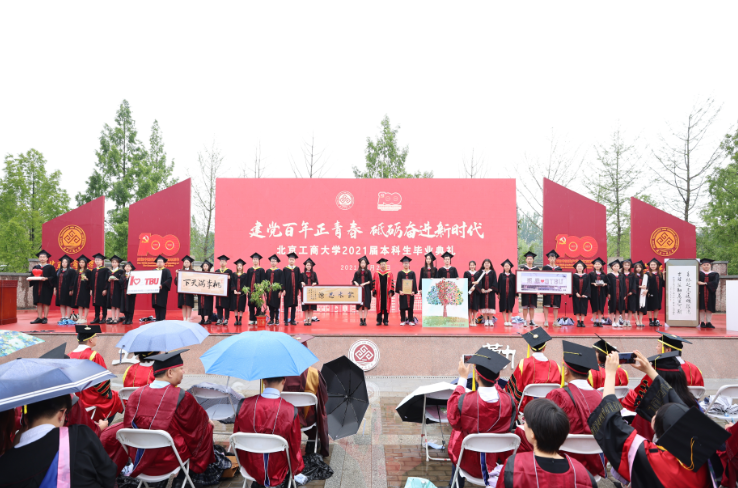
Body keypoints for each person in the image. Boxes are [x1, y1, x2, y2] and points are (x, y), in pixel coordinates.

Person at [589, 350, 729, 488]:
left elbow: (612, 423)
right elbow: (679, 406)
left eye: (656, 414)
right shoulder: (704, 451)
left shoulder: (654, 459)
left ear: (659, 430)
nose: (654, 414)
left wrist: (610, 374)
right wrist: (649, 370)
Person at [124, 349, 221, 479]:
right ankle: (195, 469)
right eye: (181, 368)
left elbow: (128, 426)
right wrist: (206, 421)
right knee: (207, 427)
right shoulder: (181, 396)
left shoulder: (135, 395)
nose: (183, 372)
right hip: (168, 460)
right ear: (170, 372)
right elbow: (197, 427)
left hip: (139, 459)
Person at [522, 341, 606, 478]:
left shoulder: (559, 396)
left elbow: (542, 426)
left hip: (563, 463)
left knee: (525, 432)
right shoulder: (602, 397)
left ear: (566, 371)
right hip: (593, 466)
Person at [0, 394, 119, 487]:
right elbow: (109, 477)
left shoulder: (5, 466)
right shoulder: (81, 436)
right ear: (62, 414)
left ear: (25, 419)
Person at [447, 347, 517, 488]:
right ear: (497, 378)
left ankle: (454, 485)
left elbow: (452, 418)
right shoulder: (509, 401)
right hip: (498, 462)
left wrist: (462, 378)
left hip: (469, 463)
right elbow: (511, 424)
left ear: (477, 377)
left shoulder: (464, 401)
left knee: (457, 433)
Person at [496, 398, 597, 488]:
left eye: (525, 421)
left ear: (533, 433)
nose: (524, 424)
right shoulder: (584, 475)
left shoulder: (514, 466)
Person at [234, 375, 305, 488]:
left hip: (250, 466)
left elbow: (236, 439)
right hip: (277, 469)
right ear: (284, 381)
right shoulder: (291, 410)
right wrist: (297, 468)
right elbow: (294, 446)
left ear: (264, 381)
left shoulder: (243, 404)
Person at [284, 334, 330, 457]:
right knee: (317, 408)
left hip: (283, 418)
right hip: (307, 421)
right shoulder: (314, 374)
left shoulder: (278, 374)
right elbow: (323, 398)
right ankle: (312, 441)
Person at [68, 325, 124, 422]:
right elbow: (102, 381)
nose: (97, 338)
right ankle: (102, 427)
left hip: (75, 398)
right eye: (96, 337)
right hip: (91, 398)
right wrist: (107, 394)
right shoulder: (94, 356)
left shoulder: (69, 355)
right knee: (117, 398)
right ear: (90, 340)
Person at [505, 327, 561, 411]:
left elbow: (517, 386)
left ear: (531, 347)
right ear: (544, 348)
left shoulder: (524, 363)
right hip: (549, 407)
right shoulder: (555, 365)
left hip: (529, 407)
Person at [29, 249, 57, 324]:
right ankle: (39, 317)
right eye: (40, 257)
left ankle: (45, 318)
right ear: (38, 258)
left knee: (46, 302)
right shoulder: (35, 267)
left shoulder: (50, 267)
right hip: (37, 286)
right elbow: (32, 276)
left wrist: (47, 278)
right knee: (38, 302)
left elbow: (54, 277)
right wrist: (30, 279)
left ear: (47, 258)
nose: (42, 258)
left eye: (44, 257)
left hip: (47, 287)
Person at [541, 250, 562, 327]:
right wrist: (542, 289)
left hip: (556, 290)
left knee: (556, 306)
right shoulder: (545, 267)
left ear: (555, 258)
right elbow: (542, 278)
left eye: (553, 257)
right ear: (548, 259)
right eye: (550, 257)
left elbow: (561, 280)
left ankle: (555, 321)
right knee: (546, 305)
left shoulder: (559, 268)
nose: (552, 259)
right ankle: (546, 321)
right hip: (547, 289)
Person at [395, 256, 417, 326]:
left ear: (409, 264)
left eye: (407, 263)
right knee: (402, 307)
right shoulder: (400, 273)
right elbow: (398, 282)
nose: (406, 264)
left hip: (410, 293)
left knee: (410, 307)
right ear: (402, 264)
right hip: (403, 293)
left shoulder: (412, 273)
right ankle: (403, 320)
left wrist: (413, 291)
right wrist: (400, 291)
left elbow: (414, 282)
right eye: (404, 263)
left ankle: (411, 320)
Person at [246, 254, 267, 326]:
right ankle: (252, 319)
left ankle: (258, 318)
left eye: (256, 259)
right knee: (251, 305)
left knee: (258, 305)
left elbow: (263, 281)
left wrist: (262, 290)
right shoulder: (249, 270)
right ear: (252, 260)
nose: (255, 261)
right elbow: (247, 280)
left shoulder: (261, 270)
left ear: (259, 261)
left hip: (258, 291)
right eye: (254, 259)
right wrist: (247, 289)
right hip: (251, 291)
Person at [519, 251, 539, 327]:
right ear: (526, 260)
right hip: (525, 290)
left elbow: (538, 280)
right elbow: (519, 279)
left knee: (532, 306)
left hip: (533, 290)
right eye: (528, 259)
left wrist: (538, 289)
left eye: (531, 259)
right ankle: (524, 320)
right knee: (525, 306)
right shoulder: (523, 268)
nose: (529, 260)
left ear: (533, 260)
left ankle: (532, 321)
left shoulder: (536, 269)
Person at [698, 258, 719, 329]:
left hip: (710, 293)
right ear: (701, 266)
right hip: (701, 293)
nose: (706, 266)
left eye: (707, 265)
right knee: (701, 308)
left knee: (709, 308)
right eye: (704, 265)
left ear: (710, 265)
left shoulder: (715, 274)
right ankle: (702, 322)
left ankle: (708, 322)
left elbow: (715, 283)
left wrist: (704, 283)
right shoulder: (699, 273)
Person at [372, 257, 394, 326]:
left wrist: (391, 291)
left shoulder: (389, 273)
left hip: (387, 293)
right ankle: (379, 320)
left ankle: (386, 320)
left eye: (384, 264)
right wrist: (374, 291)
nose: (383, 265)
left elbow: (391, 283)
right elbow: (374, 283)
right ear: (380, 265)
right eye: (382, 264)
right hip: (379, 293)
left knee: (386, 306)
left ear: (386, 265)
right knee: (379, 306)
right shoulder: (376, 273)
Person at [55, 254, 76, 324]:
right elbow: (56, 280)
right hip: (60, 290)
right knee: (61, 303)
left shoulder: (72, 271)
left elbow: (73, 281)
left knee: (68, 303)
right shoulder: (59, 271)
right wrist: (55, 288)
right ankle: (63, 316)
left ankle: (68, 317)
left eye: (66, 262)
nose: (64, 263)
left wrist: (71, 289)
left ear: (68, 263)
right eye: (63, 262)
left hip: (68, 290)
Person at [282, 252, 301, 326]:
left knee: (293, 305)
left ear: (295, 260)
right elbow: (283, 280)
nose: (291, 261)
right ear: (288, 260)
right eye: (290, 259)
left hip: (294, 290)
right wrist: (283, 289)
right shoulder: (285, 269)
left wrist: (298, 288)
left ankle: (292, 320)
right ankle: (286, 320)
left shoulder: (297, 269)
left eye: (293, 260)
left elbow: (299, 279)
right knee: (286, 305)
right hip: (287, 290)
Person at [353, 256, 373, 326]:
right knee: (360, 306)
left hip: (366, 290)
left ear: (366, 264)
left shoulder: (368, 272)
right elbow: (354, 280)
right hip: (359, 291)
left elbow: (371, 281)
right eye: (362, 263)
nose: (363, 264)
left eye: (364, 263)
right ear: (360, 264)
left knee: (366, 305)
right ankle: (361, 320)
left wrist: (364, 283)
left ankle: (365, 320)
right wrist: (355, 283)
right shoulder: (357, 272)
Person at [476, 259, 497, 327]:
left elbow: (495, 281)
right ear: (483, 264)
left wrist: (491, 288)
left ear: (490, 264)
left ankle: (490, 320)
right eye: (485, 263)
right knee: (484, 307)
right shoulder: (480, 272)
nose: (487, 264)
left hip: (490, 292)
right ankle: (486, 320)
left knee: (490, 306)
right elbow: (478, 281)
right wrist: (481, 288)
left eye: (488, 263)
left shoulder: (493, 272)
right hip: (483, 292)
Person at [151, 255, 172, 321]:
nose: (159, 263)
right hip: (155, 290)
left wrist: (162, 285)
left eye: (161, 262)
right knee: (156, 304)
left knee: (162, 305)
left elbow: (169, 279)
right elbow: (150, 279)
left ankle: (162, 319)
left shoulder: (166, 271)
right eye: (158, 262)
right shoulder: (153, 271)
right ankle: (157, 319)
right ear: (156, 263)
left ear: (164, 263)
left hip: (163, 291)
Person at [588, 257, 607, 327]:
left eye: (599, 264)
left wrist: (605, 284)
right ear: (594, 265)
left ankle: (600, 321)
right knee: (594, 307)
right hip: (594, 293)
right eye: (596, 264)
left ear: (601, 265)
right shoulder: (591, 274)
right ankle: (594, 321)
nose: (597, 265)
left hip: (602, 293)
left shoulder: (604, 275)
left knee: (600, 308)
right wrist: (593, 283)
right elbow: (588, 283)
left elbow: (608, 283)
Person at [73, 255, 92, 325]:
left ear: (86, 263)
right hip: (78, 290)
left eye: (83, 262)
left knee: (85, 304)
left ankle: (85, 318)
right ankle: (80, 318)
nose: (81, 263)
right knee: (79, 304)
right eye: (80, 262)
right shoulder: (77, 271)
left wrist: (87, 279)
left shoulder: (88, 271)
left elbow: (91, 281)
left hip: (85, 289)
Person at [215, 255, 233, 325]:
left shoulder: (229, 271)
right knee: (219, 305)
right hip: (219, 291)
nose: (222, 262)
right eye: (221, 261)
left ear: (226, 263)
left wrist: (230, 278)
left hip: (226, 291)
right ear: (219, 263)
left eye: (224, 261)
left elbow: (232, 282)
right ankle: (219, 319)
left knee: (226, 305)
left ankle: (226, 319)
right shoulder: (217, 271)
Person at [105, 255, 124, 324]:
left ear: (118, 263)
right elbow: (106, 281)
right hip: (110, 290)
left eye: (115, 262)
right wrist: (108, 280)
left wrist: (117, 279)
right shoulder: (109, 271)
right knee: (112, 305)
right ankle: (113, 318)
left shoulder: (121, 271)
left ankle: (117, 318)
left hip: (117, 290)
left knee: (117, 305)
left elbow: (123, 280)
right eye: (113, 262)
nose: (114, 263)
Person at [571, 260, 591, 327]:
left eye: (581, 266)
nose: (579, 267)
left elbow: (588, 285)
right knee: (576, 307)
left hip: (584, 295)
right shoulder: (573, 276)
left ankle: (582, 321)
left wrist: (585, 294)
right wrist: (576, 293)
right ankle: (578, 322)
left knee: (583, 307)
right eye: (578, 266)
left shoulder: (587, 276)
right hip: (576, 295)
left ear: (583, 267)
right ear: (576, 267)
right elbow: (572, 285)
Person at [606, 259, 625, 328]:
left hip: (620, 294)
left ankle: (617, 322)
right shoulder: (609, 275)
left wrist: (624, 294)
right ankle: (613, 322)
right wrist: (608, 293)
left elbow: (624, 286)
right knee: (612, 307)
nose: (616, 267)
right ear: (612, 267)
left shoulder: (621, 275)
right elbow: (608, 285)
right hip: (613, 294)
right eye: (615, 266)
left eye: (617, 266)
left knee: (618, 308)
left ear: (619, 267)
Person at [177, 255, 196, 322]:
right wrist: (177, 275)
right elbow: (176, 282)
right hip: (182, 290)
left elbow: (195, 281)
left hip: (189, 291)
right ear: (183, 263)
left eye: (187, 262)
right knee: (183, 305)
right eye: (185, 262)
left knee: (189, 305)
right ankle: (184, 318)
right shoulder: (180, 271)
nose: (186, 263)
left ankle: (188, 318)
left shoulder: (193, 271)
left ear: (190, 263)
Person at [646, 258, 664, 326]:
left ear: (657, 266)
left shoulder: (660, 274)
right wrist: (647, 291)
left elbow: (663, 284)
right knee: (649, 307)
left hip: (658, 293)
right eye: (651, 265)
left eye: (654, 265)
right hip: (650, 292)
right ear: (649, 266)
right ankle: (650, 321)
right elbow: (646, 283)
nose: (653, 266)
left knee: (657, 306)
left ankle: (655, 320)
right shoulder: (647, 274)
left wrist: (664, 276)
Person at [498, 259, 516, 326]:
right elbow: (499, 284)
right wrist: (499, 293)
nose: (507, 267)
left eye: (508, 266)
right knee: (504, 307)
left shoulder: (513, 276)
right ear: (503, 267)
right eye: (505, 266)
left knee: (510, 307)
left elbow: (515, 285)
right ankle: (505, 321)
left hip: (511, 294)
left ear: (510, 267)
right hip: (503, 294)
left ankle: (509, 321)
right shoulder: (501, 275)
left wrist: (516, 294)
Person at [266, 255, 283, 325]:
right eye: (272, 261)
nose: (273, 262)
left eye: (274, 261)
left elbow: (281, 282)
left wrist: (280, 291)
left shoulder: (280, 271)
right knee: (270, 306)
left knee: (276, 306)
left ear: (277, 262)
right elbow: (266, 282)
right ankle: (271, 319)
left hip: (276, 292)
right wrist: (265, 290)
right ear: (270, 262)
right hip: (269, 291)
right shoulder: (268, 271)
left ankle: (277, 319)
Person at [301, 258, 318, 326]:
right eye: (307, 265)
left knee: (311, 307)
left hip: (312, 292)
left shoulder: (314, 273)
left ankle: (310, 320)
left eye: (310, 265)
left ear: (311, 266)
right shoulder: (302, 274)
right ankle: (306, 320)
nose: (308, 266)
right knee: (305, 307)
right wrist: (301, 282)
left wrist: (315, 283)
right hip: (305, 293)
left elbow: (317, 282)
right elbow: (299, 282)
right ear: (305, 266)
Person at [231, 258, 248, 325]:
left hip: (242, 294)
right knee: (235, 306)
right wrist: (234, 290)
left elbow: (245, 283)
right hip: (234, 293)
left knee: (241, 306)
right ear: (236, 267)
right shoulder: (233, 274)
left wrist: (241, 291)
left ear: (242, 266)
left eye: (240, 265)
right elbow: (232, 283)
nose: (239, 267)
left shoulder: (245, 275)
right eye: (238, 266)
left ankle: (240, 320)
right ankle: (236, 320)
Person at [464, 260, 481, 326]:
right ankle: (470, 320)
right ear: (469, 266)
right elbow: (465, 281)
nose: (472, 266)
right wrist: (473, 283)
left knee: (475, 307)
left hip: (475, 293)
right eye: (471, 265)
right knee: (469, 307)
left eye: (473, 265)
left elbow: (480, 283)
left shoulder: (478, 273)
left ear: (475, 266)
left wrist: (475, 287)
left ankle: (474, 320)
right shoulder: (466, 273)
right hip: (469, 292)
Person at [198, 260, 214, 325]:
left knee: (208, 305)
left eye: (206, 266)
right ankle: (202, 319)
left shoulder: (212, 275)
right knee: (201, 305)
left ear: (209, 267)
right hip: (201, 292)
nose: (205, 267)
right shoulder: (199, 275)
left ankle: (209, 319)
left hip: (208, 293)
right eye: (204, 266)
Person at [621, 259, 636, 327]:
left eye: (628, 265)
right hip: (622, 294)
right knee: (623, 307)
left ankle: (629, 321)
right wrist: (622, 293)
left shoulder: (632, 275)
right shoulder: (620, 274)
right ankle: (624, 321)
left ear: (630, 266)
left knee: (630, 308)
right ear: (623, 266)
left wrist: (632, 291)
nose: (626, 266)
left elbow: (634, 284)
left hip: (630, 294)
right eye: (625, 265)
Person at [633, 260, 648, 327]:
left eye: (639, 267)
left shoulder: (645, 276)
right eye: (637, 267)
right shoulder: (633, 276)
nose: (638, 268)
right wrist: (639, 286)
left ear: (642, 268)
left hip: (642, 294)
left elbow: (648, 284)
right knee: (635, 307)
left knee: (642, 307)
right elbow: (631, 285)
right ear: (635, 268)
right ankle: (636, 320)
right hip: (635, 293)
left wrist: (647, 289)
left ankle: (640, 321)